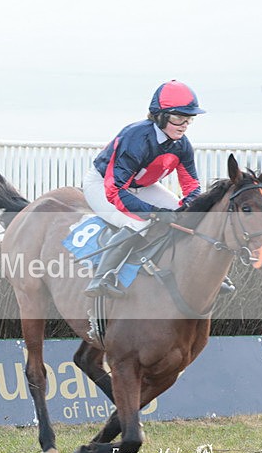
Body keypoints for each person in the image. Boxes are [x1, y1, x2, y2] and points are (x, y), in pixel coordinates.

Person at [83, 80, 215, 298]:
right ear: (161, 116)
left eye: (188, 119)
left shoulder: (182, 144)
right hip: (103, 184)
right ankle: (101, 278)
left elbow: (191, 185)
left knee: (188, 217)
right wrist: (154, 212)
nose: (184, 125)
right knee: (137, 222)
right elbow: (115, 190)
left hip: (142, 186)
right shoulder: (135, 137)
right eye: (178, 117)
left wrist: (190, 204)